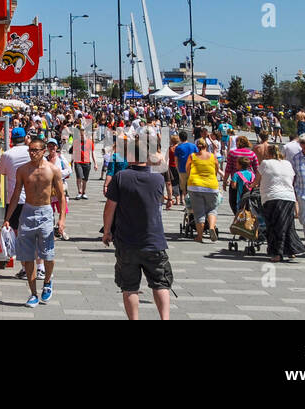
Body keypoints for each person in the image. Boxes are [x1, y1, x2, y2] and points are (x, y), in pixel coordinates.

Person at [102, 133, 172, 320]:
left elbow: (110, 208)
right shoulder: (157, 179)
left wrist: (107, 231)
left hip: (127, 241)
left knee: (130, 286)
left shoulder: (121, 177)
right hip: (154, 240)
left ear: (130, 156)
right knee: (160, 283)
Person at [3, 136, 66, 306]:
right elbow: (16, 195)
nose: (32, 153)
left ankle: (47, 282)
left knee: (48, 255)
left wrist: (61, 219)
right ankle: (33, 294)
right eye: (30, 150)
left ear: (43, 151)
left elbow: (61, 196)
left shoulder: (53, 170)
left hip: (45, 212)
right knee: (27, 256)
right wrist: (7, 218)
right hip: (27, 212)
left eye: (35, 150)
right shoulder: (23, 170)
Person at [258, 144, 301, 262]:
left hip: (272, 197)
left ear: (268, 153)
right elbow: (292, 178)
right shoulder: (287, 164)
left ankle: (277, 253)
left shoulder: (265, 163)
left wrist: (251, 185)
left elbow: (257, 180)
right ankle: (291, 250)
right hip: (289, 197)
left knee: (275, 226)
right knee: (288, 225)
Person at [0, 127, 32, 277]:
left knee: (19, 236)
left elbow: (2, 172)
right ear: (25, 138)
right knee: (33, 235)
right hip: (33, 199)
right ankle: (39, 267)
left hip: (14, 200)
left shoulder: (7, 155)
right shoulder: (33, 152)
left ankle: (25, 267)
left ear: (12, 139)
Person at [186, 138, 221, 242]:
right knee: (212, 209)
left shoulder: (192, 156)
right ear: (206, 146)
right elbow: (216, 170)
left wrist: (190, 178)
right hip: (211, 186)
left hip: (195, 185)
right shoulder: (213, 157)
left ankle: (199, 236)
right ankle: (211, 227)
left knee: (199, 212)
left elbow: (187, 169)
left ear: (197, 146)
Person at [72, 120, 94, 199]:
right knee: (79, 177)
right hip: (78, 161)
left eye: (83, 134)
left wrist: (95, 163)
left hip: (87, 162)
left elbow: (92, 153)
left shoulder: (89, 142)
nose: (82, 136)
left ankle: (84, 192)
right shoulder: (76, 142)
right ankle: (79, 192)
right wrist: (71, 162)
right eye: (80, 135)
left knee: (85, 179)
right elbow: (74, 153)